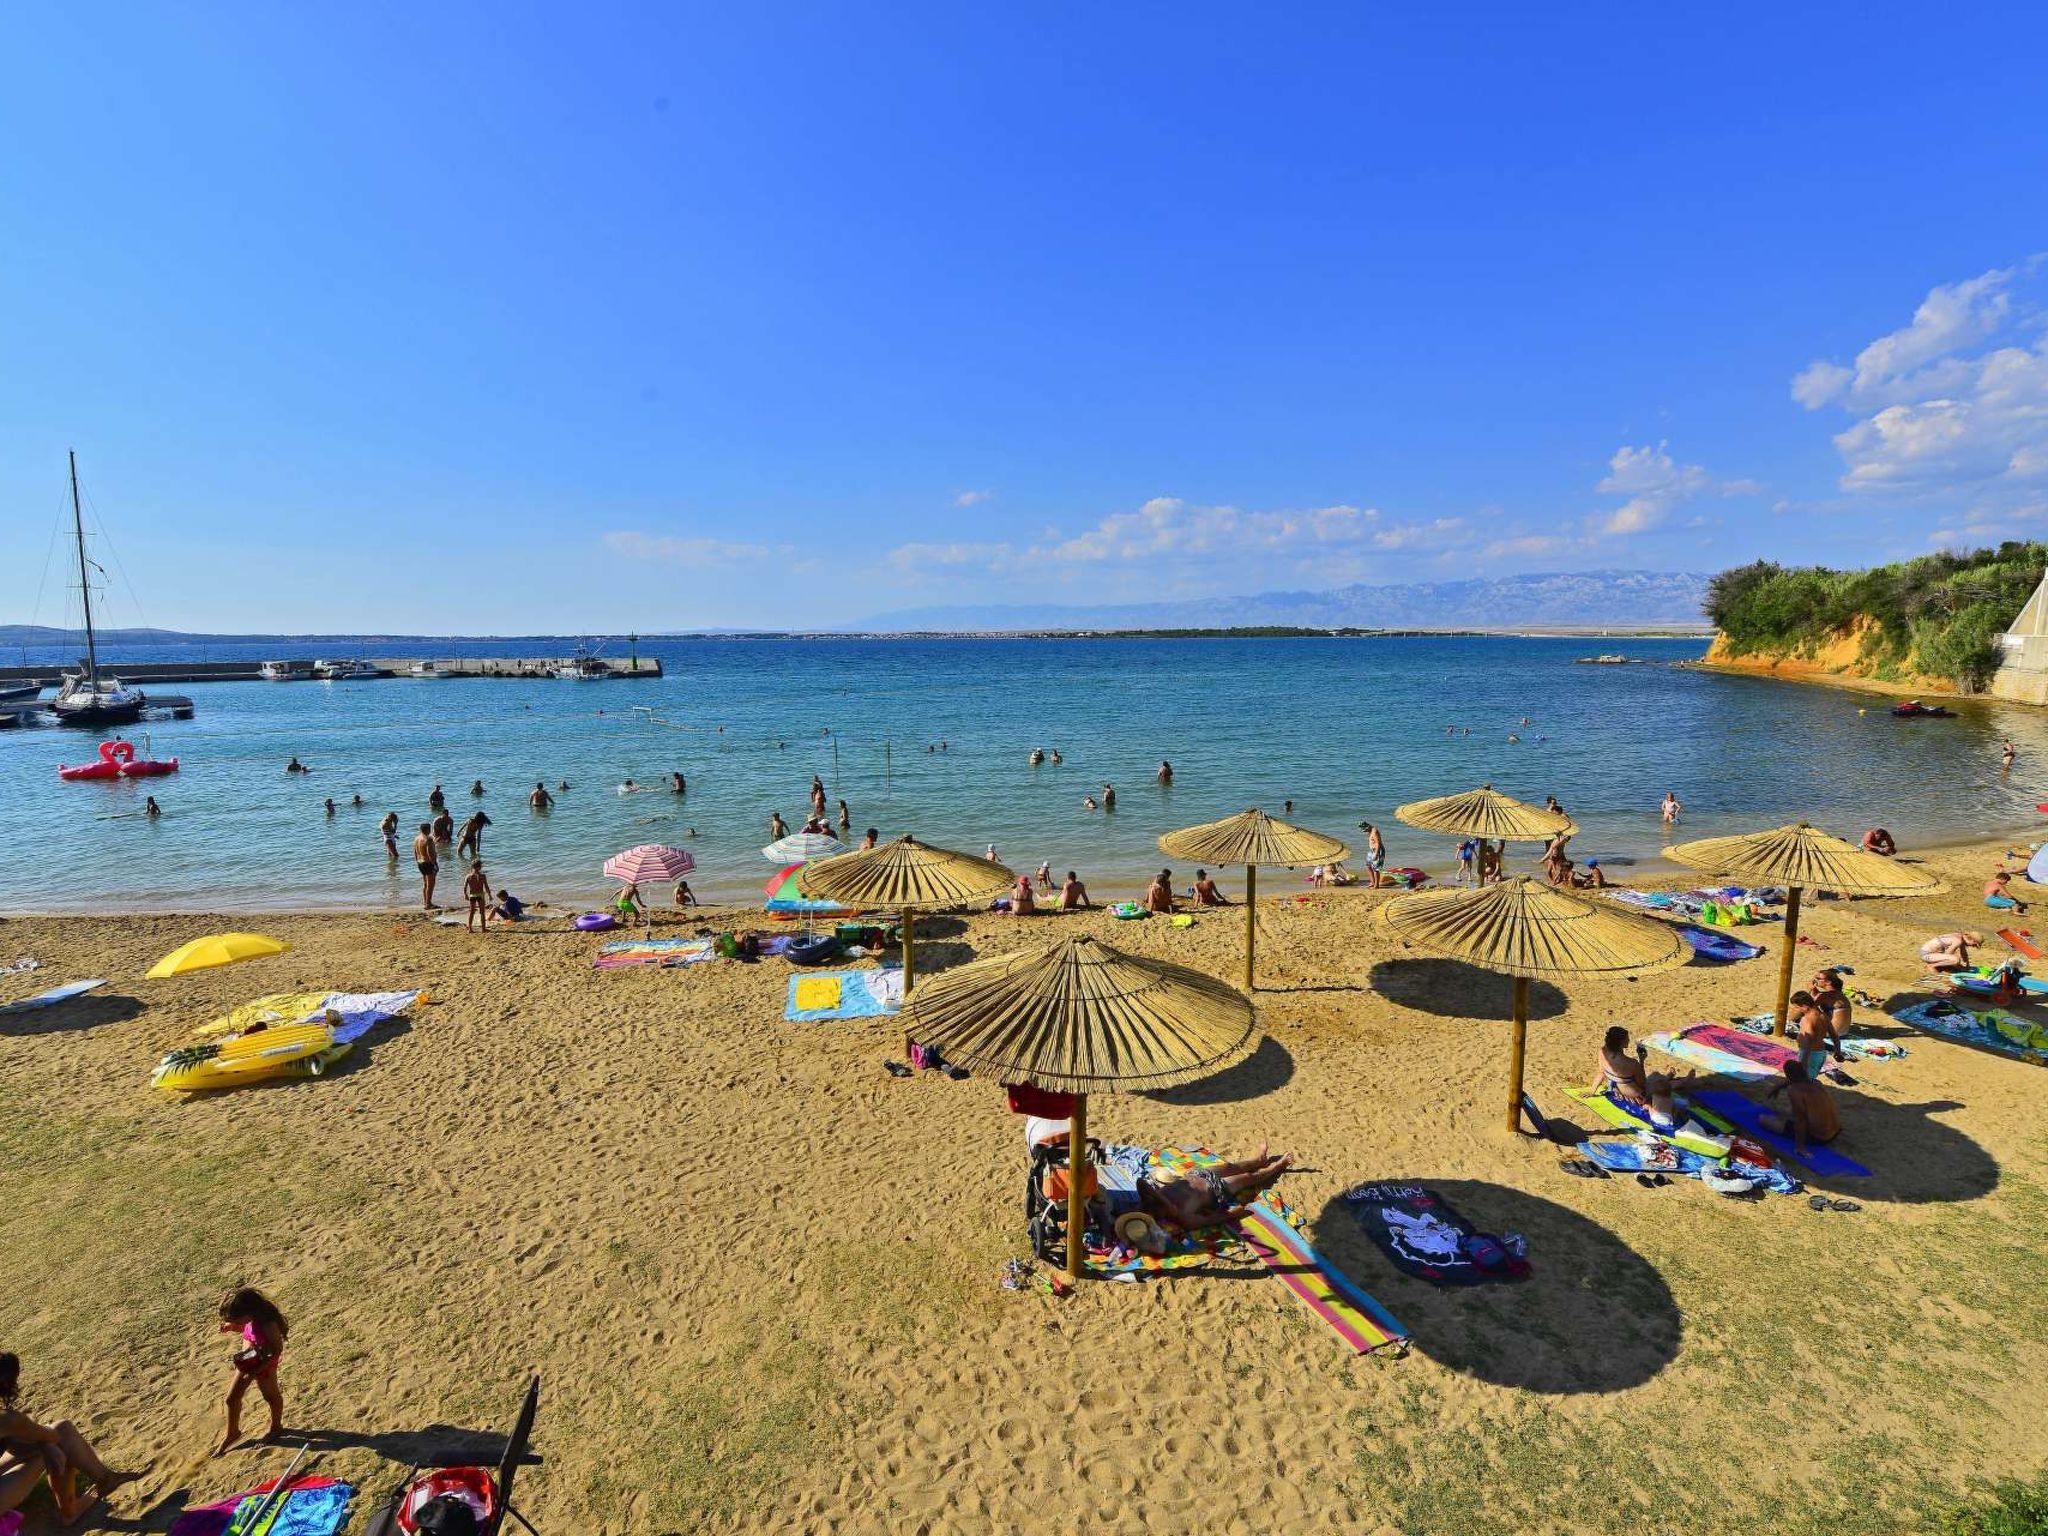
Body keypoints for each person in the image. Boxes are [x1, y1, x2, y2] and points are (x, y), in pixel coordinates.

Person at [0, 1351, 138, 1523]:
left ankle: (103, 1482)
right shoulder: (7, 1420)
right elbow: (52, 1435)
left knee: (31, 1441)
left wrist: (43, 1442)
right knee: (62, 1432)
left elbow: (24, 1436)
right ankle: (76, 1507)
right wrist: (46, 1444)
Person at [215, 1287, 288, 1455]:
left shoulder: (268, 1325)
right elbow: (247, 1328)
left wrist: (256, 1372)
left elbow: (276, 1351)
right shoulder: (250, 1319)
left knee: (270, 1396)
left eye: (236, 1319)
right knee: (231, 1399)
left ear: (249, 1312)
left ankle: (276, 1427)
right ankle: (233, 1433)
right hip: (248, 1361)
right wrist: (231, 1327)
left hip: (264, 1365)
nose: (235, 1322)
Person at [1758, 1060, 1841, 1157]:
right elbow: (1795, 1079)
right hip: (1835, 1133)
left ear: (1788, 1076)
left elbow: (1800, 1122)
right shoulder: (1816, 1083)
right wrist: (1777, 1087)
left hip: (1819, 1137)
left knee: (1763, 1119)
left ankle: (1800, 1144)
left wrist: (1800, 1148)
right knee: (1785, 1113)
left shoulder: (1795, 1091)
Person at [1786, 990, 1842, 1078]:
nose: (1796, 1010)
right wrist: (1838, 1052)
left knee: (1804, 1081)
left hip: (1810, 1055)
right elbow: (1834, 1035)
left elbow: (1807, 1041)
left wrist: (1802, 1063)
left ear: (1805, 1006)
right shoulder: (1823, 1016)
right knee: (1811, 1078)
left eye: (1797, 1007)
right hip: (1821, 1053)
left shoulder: (1807, 1019)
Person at [1593, 1025, 1650, 1104]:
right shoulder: (1632, 1064)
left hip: (1615, 1092)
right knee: (1659, 1081)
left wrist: (1592, 1090)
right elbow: (1642, 1084)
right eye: (1627, 1039)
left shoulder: (1602, 1052)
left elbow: (1601, 1073)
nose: (1629, 1040)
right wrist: (1641, 1060)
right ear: (1621, 1042)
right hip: (1636, 1098)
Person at [413, 823, 439, 909]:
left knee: (425, 883)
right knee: (430, 885)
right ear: (428, 829)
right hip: (428, 863)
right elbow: (429, 853)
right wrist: (435, 864)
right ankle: (428, 903)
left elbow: (415, 852)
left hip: (420, 863)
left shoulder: (417, 838)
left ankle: (425, 901)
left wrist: (417, 861)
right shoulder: (428, 839)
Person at [462, 859, 490, 931]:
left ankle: (470, 928)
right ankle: (483, 928)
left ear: (472, 867)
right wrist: (489, 895)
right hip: (480, 895)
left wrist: (465, 894)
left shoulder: (468, 876)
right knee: (482, 912)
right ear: (480, 867)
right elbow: (486, 886)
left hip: (472, 895)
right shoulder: (482, 876)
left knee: (472, 911)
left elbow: (465, 887)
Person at [1364, 823, 1386, 888]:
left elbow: (1378, 843)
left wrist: (1376, 853)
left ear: (1367, 827)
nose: (1364, 831)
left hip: (1377, 851)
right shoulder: (1370, 831)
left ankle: (1376, 885)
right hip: (1371, 851)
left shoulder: (1375, 831)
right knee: (1368, 866)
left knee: (1375, 869)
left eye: (1365, 830)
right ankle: (1372, 882)